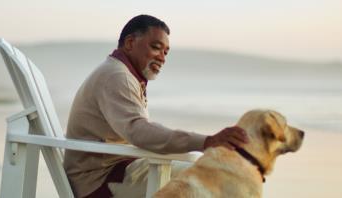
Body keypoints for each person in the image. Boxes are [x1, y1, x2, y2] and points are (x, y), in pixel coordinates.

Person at [63, 14, 249, 198]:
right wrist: (206, 142)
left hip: (118, 168)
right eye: (156, 48)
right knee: (210, 181)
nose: (162, 58)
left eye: (165, 52)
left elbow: (138, 131)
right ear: (130, 43)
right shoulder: (117, 76)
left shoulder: (124, 74)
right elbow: (139, 131)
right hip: (100, 180)